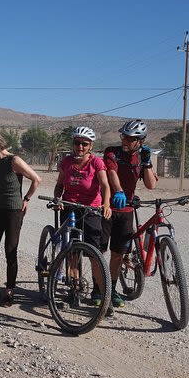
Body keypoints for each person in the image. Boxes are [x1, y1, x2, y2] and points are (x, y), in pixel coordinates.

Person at [0, 131, 41, 306]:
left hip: (14, 210)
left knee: (10, 251)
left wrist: (26, 200)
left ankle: (9, 291)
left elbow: (36, 179)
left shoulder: (14, 160)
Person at [53, 126, 112, 309]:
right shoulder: (66, 162)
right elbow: (60, 185)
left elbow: (105, 185)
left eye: (84, 144)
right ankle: (75, 290)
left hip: (90, 209)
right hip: (69, 207)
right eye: (77, 143)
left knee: (95, 256)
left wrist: (107, 204)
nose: (80, 147)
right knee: (72, 253)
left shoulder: (96, 163)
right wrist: (57, 199)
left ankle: (104, 297)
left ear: (90, 146)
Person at [103, 120, 158, 312]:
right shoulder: (112, 151)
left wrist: (148, 163)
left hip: (126, 211)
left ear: (140, 141)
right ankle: (98, 289)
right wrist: (118, 190)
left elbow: (151, 185)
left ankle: (111, 289)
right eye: (123, 136)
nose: (125, 140)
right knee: (100, 251)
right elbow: (111, 173)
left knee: (117, 254)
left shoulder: (142, 157)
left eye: (130, 138)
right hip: (107, 206)